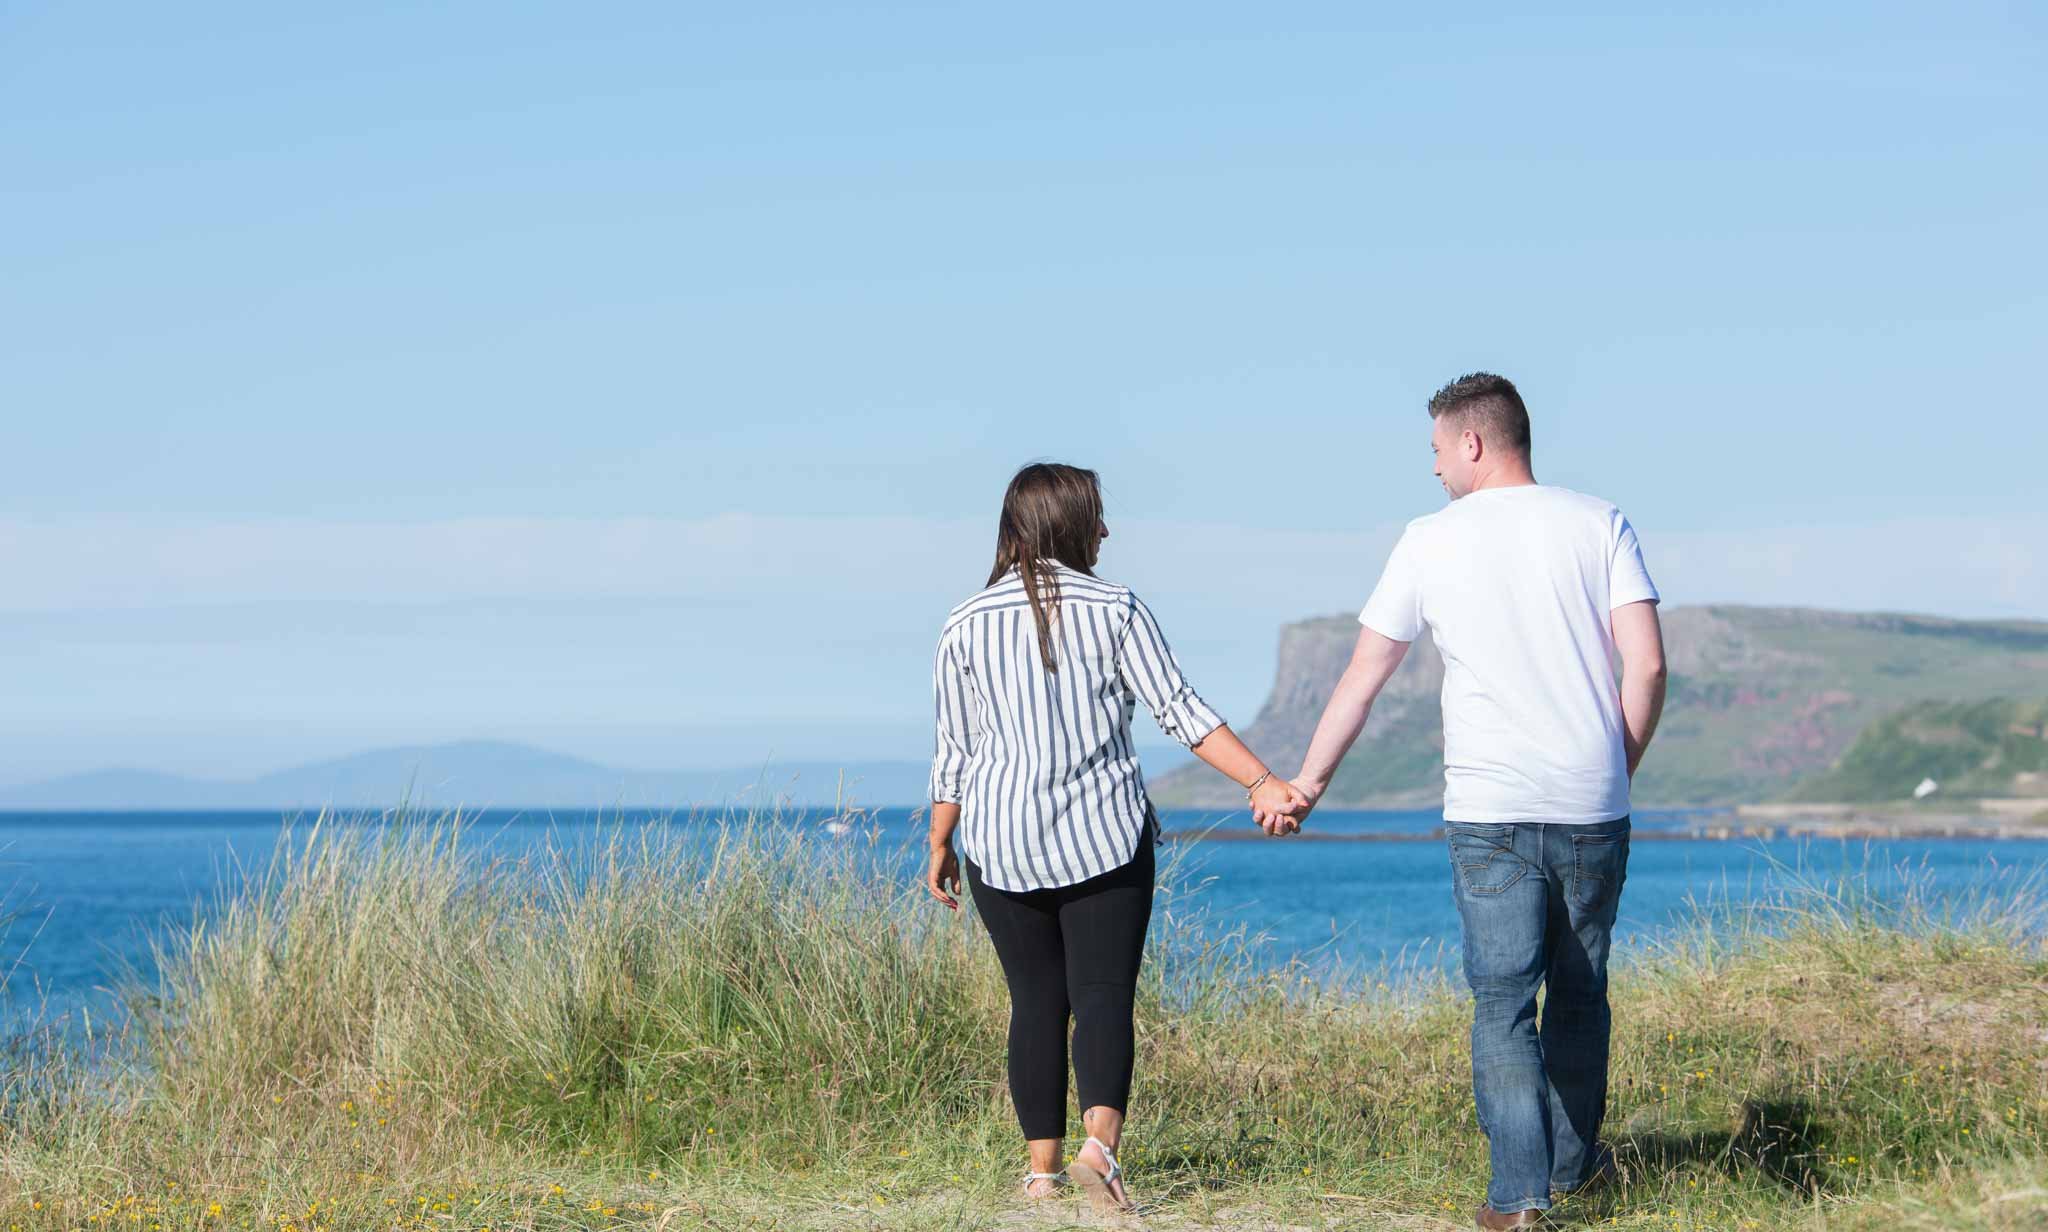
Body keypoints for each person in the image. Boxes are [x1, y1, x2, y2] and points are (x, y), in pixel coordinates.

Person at [1278, 374, 1668, 1229]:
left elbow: (1363, 676)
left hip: (1489, 808)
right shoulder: (1600, 521)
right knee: (1580, 992)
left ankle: (1519, 1201)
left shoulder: (1429, 540)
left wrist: (1309, 783)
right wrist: (1616, 767)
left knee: (1502, 1005)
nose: (1433, 470)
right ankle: (1573, 1174)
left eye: (1436, 451)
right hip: (1593, 802)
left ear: (1475, 443)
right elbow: (1645, 667)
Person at [924, 461, 1307, 1212]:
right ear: (1068, 525)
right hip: (1104, 835)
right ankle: (1101, 1151)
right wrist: (1261, 782)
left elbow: (954, 750)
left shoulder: (963, 621)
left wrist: (940, 842)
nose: (1106, 530)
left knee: (1034, 1003)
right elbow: (1181, 710)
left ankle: (1040, 1177)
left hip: (1000, 843)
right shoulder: (1118, 608)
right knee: (1103, 997)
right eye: (1096, 517)